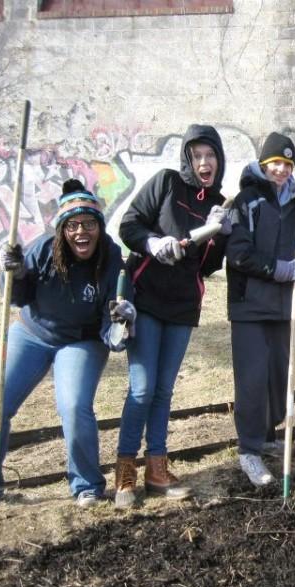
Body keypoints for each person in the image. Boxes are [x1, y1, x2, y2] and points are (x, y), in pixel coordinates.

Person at [0, 179, 129, 513]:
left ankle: (86, 485)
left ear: (100, 227)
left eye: (90, 224)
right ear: (62, 230)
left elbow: (116, 308)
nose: (82, 232)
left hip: (80, 341)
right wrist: (14, 272)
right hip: (32, 331)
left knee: (73, 406)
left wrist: (118, 327)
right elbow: (17, 297)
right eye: (73, 225)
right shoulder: (43, 249)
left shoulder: (111, 258)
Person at [114, 124, 229, 509]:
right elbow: (128, 225)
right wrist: (153, 242)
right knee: (142, 388)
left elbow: (208, 265)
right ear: (186, 158)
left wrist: (219, 232)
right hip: (146, 299)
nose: (203, 162)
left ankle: (157, 469)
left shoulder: (220, 202)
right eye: (196, 155)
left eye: (209, 155)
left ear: (219, 159)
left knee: (163, 390)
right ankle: (125, 472)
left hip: (182, 306)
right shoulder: (165, 184)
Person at [225, 132, 295, 485]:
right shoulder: (248, 199)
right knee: (252, 380)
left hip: (284, 306)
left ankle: (267, 437)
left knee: (278, 377)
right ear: (264, 164)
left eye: (287, 164)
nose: (281, 170)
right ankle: (248, 450)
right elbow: (238, 254)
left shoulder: (294, 201)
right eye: (275, 164)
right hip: (250, 304)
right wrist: (283, 269)